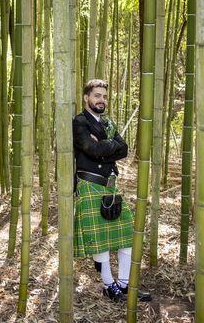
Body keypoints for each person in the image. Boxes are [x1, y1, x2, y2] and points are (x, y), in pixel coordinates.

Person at [73, 79, 151, 302]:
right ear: (87, 97)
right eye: (97, 95)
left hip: (109, 186)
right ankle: (109, 286)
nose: (101, 100)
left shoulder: (107, 122)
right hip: (89, 185)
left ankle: (125, 285)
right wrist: (106, 147)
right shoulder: (79, 122)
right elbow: (91, 148)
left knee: (128, 234)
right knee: (101, 241)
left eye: (105, 96)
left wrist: (103, 146)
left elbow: (124, 149)